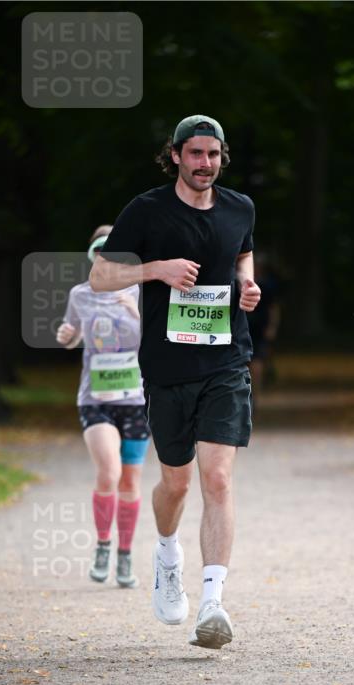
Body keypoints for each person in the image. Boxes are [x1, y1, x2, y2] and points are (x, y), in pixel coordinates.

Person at [89, 115, 261, 649]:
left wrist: (246, 282)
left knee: (218, 479)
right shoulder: (147, 210)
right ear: (177, 156)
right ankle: (167, 554)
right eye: (195, 154)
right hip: (166, 368)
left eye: (212, 154)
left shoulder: (240, 207)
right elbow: (100, 277)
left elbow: (242, 251)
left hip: (226, 361)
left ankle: (212, 603)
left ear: (221, 157)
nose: (204, 163)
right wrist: (153, 269)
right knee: (177, 483)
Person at [56, 225, 150, 588]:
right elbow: (71, 334)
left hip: (136, 400)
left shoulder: (141, 292)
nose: (106, 257)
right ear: (93, 255)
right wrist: (67, 337)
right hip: (95, 398)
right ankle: (102, 545)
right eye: (100, 250)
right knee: (109, 471)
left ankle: (124, 556)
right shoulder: (81, 294)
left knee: (130, 481)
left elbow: (160, 343)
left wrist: (136, 312)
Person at [247, 252, 282, 394]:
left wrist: (272, 327)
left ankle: (255, 394)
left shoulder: (267, 285)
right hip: (244, 328)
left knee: (257, 363)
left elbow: (273, 307)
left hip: (259, 328)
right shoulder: (239, 281)